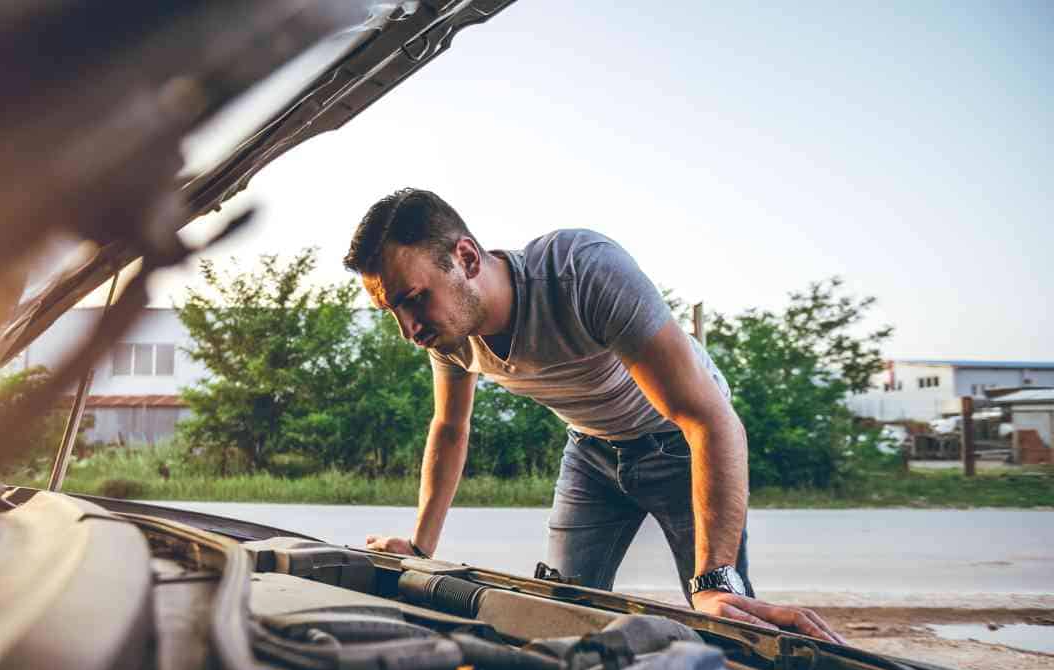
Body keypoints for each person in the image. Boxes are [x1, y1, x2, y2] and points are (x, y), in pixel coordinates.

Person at [343, 188, 844, 644]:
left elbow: (710, 419)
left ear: (467, 258)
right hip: (590, 452)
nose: (408, 329)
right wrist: (419, 547)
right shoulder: (448, 334)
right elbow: (450, 428)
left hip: (678, 442)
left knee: (726, 619)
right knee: (554, 620)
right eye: (393, 311)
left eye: (413, 300)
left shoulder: (581, 271)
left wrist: (714, 579)